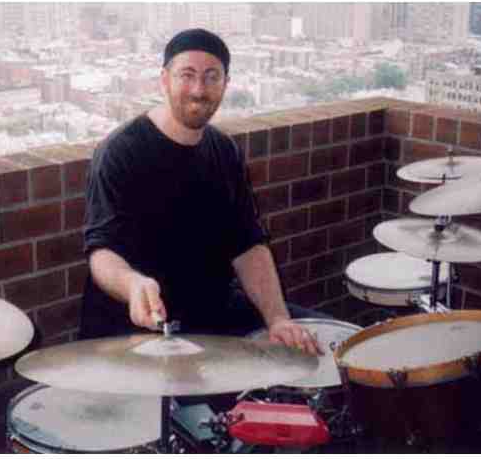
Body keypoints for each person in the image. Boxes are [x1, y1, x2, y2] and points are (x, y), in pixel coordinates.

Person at [81, 28, 321, 356]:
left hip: (213, 315)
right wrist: (133, 284)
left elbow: (248, 245)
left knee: (317, 347)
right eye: (187, 75)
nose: (199, 89)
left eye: (211, 77)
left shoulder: (224, 150)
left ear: (226, 84)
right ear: (164, 80)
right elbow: (101, 252)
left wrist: (278, 319)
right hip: (137, 328)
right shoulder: (121, 151)